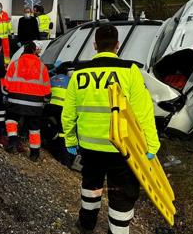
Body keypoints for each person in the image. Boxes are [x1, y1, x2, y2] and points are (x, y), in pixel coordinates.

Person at [62, 24, 159, 234]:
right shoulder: (129, 71)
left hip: (89, 146)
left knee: (91, 186)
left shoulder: (80, 73)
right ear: (118, 45)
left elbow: (68, 112)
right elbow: (143, 112)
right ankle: (118, 231)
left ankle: (86, 224)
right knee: (122, 193)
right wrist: (152, 143)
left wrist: (70, 140)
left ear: (95, 45)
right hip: (121, 147)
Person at [4, 41, 51, 162]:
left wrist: (8, 94)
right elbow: (47, 90)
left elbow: (6, 85)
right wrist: (45, 101)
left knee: (11, 119)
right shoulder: (42, 67)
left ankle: (13, 142)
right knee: (34, 128)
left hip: (15, 100)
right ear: (35, 51)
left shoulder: (15, 64)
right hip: (35, 104)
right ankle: (34, 153)